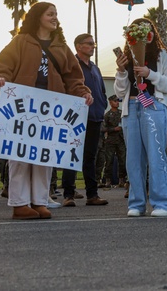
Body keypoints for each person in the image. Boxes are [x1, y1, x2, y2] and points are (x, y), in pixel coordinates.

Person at [0, 2, 93, 220]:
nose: (55, 17)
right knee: (20, 156)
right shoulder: (20, 42)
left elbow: (73, 77)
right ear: (38, 17)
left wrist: (82, 92)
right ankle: (20, 204)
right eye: (50, 14)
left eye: (56, 14)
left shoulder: (61, 46)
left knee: (45, 156)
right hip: (22, 107)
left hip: (52, 109)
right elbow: (3, 66)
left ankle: (39, 201)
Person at [112, 17, 167, 217]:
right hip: (131, 107)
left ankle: (164, 204)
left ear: (151, 34)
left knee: (156, 155)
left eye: (144, 32)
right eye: (134, 34)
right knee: (133, 159)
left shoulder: (162, 56)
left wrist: (150, 74)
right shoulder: (126, 57)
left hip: (154, 106)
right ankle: (137, 203)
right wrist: (122, 71)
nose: (140, 37)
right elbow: (120, 91)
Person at [60, 33, 109, 207]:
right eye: (89, 43)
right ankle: (68, 194)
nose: (92, 46)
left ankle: (92, 194)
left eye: (93, 43)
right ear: (78, 46)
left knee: (90, 157)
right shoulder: (71, 66)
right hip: (75, 117)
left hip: (95, 117)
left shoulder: (95, 68)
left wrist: (102, 105)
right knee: (71, 155)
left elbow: (102, 90)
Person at [100, 95, 127, 188]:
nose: (117, 103)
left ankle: (122, 180)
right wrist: (113, 129)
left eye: (118, 101)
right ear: (111, 103)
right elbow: (103, 128)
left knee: (122, 160)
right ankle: (108, 180)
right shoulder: (107, 115)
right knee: (109, 161)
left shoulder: (122, 113)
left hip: (121, 140)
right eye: (115, 101)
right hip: (111, 141)